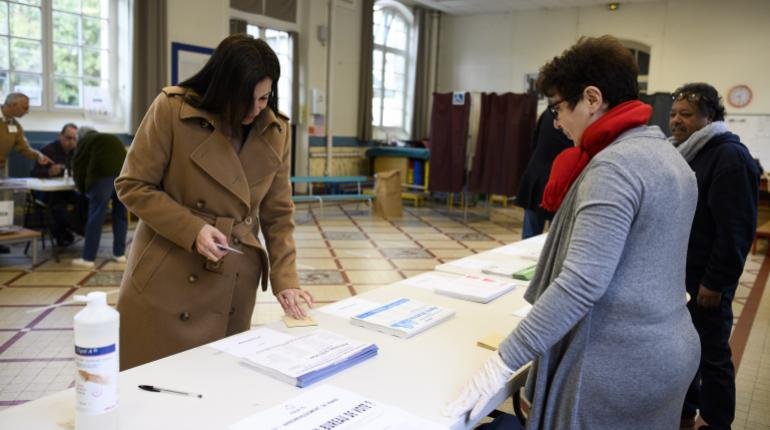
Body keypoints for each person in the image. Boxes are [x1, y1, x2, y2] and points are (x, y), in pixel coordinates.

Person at [444, 35, 700, 429]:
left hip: (615, 364)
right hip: (668, 350)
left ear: (593, 98)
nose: (557, 121)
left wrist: (503, 361)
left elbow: (581, 283)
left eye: (559, 107)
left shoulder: (614, 167)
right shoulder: (667, 155)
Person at [114, 34, 314, 371]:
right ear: (222, 89)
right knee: (152, 391)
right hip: (168, 274)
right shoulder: (172, 110)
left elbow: (278, 213)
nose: (255, 110)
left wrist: (286, 280)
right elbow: (132, 185)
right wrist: (193, 229)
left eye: (264, 98)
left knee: (216, 389)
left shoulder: (277, 131)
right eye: (245, 100)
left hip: (233, 279)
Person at [670, 83, 759, 430]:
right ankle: (687, 410)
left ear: (710, 117)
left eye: (686, 114)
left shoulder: (729, 157)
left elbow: (736, 230)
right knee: (686, 349)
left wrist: (715, 282)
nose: (676, 120)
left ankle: (718, 420)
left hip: (706, 280)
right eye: (674, 113)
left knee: (712, 355)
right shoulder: (684, 151)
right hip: (682, 276)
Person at [0, 93, 52, 253]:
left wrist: (38, 156)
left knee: (3, 204)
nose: (27, 111)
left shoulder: (14, 125)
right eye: (25, 107)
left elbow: (23, 147)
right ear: (12, 105)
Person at [71, 127, 128, 268]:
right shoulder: (112, 137)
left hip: (102, 179)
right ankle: (119, 254)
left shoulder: (85, 141)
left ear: (80, 137)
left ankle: (88, 258)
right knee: (120, 216)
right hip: (124, 178)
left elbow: (78, 166)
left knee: (96, 217)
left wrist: (82, 189)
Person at [514, 108, 572, 239]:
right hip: (559, 179)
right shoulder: (573, 117)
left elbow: (534, 142)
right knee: (555, 236)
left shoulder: (547, 113)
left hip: (536, 176)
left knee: (530, 234)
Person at [30, 123, 81, 247]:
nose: (71, 142)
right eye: (68, 138)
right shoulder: (48, 150)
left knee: (85, 200)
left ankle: (73, 228)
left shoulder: (76, 152)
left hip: (66, 189)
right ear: (60, 136)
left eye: (74, 139)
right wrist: (49, 172)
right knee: (58, 205)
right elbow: (34, 173)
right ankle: (63, 232)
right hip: (47, 192)